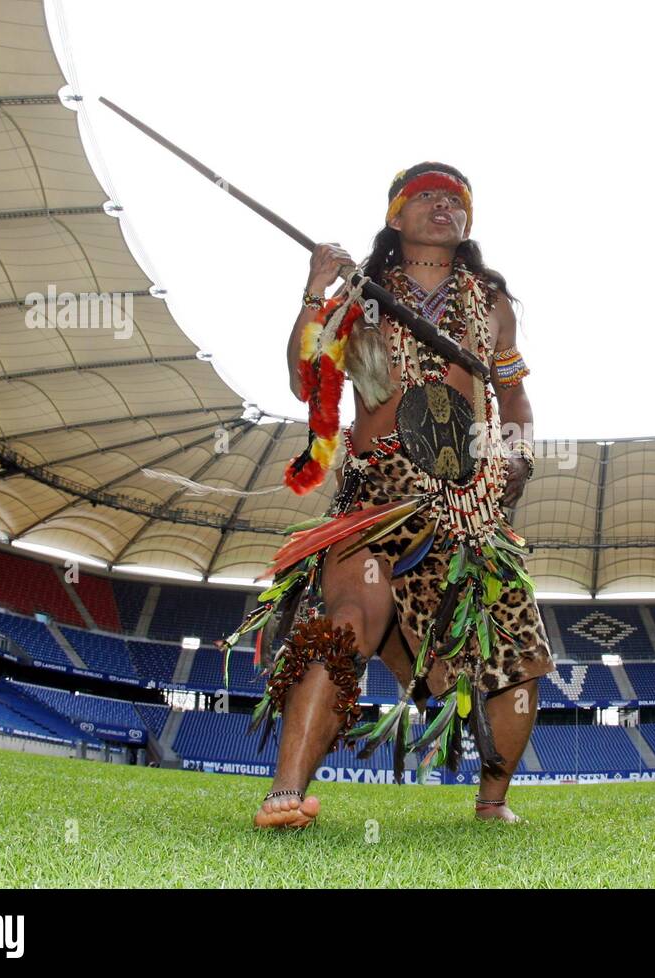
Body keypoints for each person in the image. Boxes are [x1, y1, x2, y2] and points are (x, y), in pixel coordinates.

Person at [218, 163, 553, 829]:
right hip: (379, 492)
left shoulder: (494, 305)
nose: (441, 206)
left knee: (517, 656)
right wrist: (316, 294)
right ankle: (285, 795)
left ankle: (492, 803)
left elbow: (511, 393)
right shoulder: (359, 295)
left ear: (468, 222)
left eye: (454, 200)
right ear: (395, 216)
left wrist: (516, 450)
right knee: (345, 620)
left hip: (467, 499)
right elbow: (302, 379)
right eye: (424, 196)